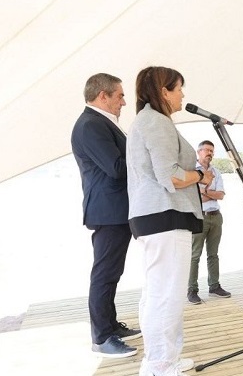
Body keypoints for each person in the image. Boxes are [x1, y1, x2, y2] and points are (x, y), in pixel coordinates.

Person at [127, 66, 209, 375]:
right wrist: (200, 175)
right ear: (164, 91)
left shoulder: (148, 121)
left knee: (157, 291)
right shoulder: (157, 122)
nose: (183, 95)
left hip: (154, 216)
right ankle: (160, 363)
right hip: (165, 215)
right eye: (179, 89)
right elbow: (171, 176)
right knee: (167, 293)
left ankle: (165, 357)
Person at [71, 73, 140, 358]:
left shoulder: (98, 123)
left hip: (114, 211)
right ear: (103, 96)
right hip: (109, 211)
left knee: (112, 273)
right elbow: (116, 167)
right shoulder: (91, 125)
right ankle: (101, 338)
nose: (124, 102)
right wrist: (145, 154)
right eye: (120, 95)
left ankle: (110, 326)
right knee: (104, 275)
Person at [187, 140, 231, 305]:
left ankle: (214, 286)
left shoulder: (216, 172)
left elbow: (220, 195)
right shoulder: (192, 171)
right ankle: (192, 290)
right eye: (206, 150)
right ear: (199, 152)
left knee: (213, 254)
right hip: (200, 216)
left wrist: (205, 191)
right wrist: (208, 193)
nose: (209, 153)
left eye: (212, 150)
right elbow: (195, 196)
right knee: (195, 255)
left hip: (216, 216)